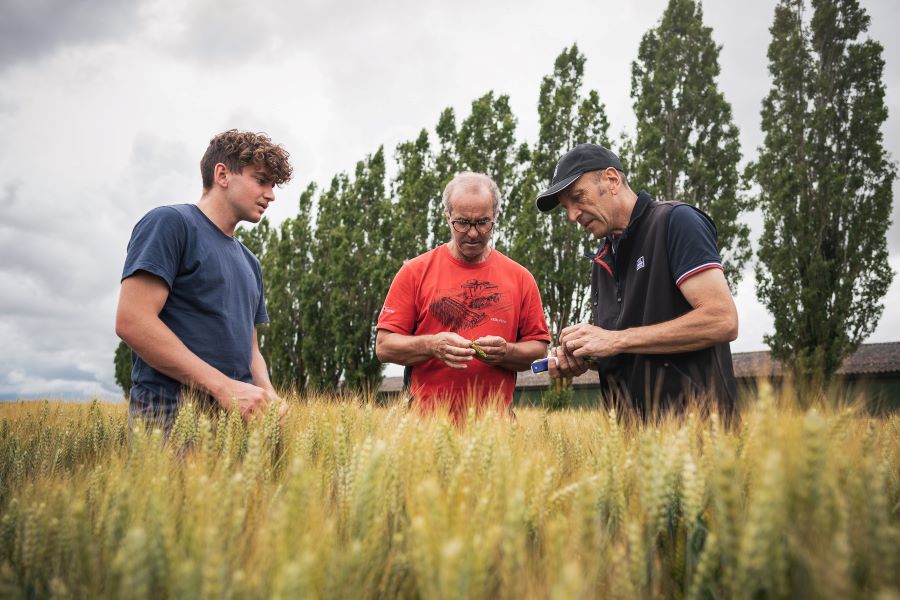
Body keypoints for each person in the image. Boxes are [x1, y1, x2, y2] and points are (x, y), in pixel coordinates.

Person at [535, 144, 738, 418]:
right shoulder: (602, 260)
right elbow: (628, 348)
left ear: (612, 180)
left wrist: (614, 340)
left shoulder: (676, 222)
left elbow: (722, 320)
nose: (572, 216)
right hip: (630, 446)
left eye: (578, 197)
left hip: (697, 440)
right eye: (566, 207)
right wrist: (588, 356)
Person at [115, 129, 293, 429]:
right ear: (222, 174)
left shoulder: (251, 263)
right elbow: (132, 320)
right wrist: (224, 387)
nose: (271, 195)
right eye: (261, 180)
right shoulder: (171, 224)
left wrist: (268, 395)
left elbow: (251, 351)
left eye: (273, 185)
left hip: (234, 427)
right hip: (170, 422)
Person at [376, 172, 550, 420]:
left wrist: (506, 352)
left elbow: (539, 350)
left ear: (496, 217)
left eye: (483, 222)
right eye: (462, 222)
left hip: (495, 432)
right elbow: (384, 347)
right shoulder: (414, 272)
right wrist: (432, 345)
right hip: (426, 431)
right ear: (447, 216)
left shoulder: (521, 278)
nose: (472, 233)